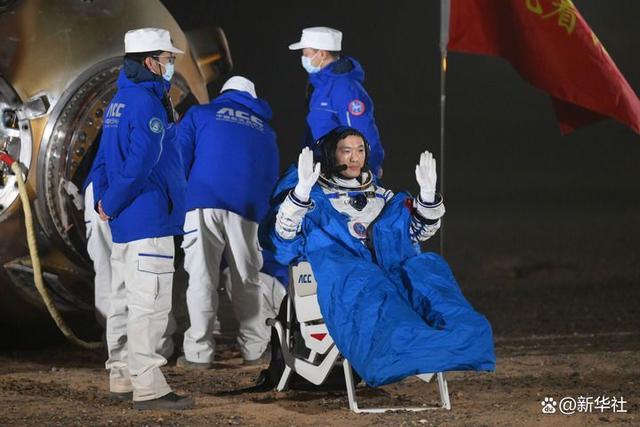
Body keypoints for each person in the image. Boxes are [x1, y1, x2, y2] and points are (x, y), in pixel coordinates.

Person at [258, 126, 495, 387]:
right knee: (371, 285)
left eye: (360, 150)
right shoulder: (315, 197)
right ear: (329, 155)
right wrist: (300, 195)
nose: (354, 157)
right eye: (345, 151)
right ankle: (407, 345)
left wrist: (427, 200)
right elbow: (283, 239)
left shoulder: (382, 197)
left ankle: (463, 338)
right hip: (349, 274)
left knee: (428, 268)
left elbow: (414, 233)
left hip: (390, 268)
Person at [95, 27, 192, 410]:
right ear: (151, 62)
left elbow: (103, 160)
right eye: (168, 59)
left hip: (123, 223)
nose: (171, 65)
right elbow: (141, 163)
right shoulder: (150, 104)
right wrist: (116, 200)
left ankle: (121, 375)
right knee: (149, 306)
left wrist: (105, 203)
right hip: (148, 218)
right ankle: (150, 387)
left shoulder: (119, 101)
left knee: (122, 300)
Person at [177, 76, 282, 367]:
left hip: (201, 202)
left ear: (224, 94)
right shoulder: (266, 131)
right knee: (247, 281)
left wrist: (181, 201)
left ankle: (199, 353)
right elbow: (270, 178)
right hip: (246, 210)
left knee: (201, 278)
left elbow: (179, 157)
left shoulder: (200, 114)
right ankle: (254, 350)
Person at [289, 27, 385, 177]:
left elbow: (363, 131)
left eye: (306, 54)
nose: (304, 58)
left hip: (340, 176)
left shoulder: (345, 88)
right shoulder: (321, 86)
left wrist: (369, 172)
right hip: (323, 172)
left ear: (321, 54)